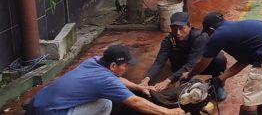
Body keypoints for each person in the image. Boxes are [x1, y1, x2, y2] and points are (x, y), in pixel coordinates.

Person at [27, 45, 183, 115]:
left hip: (37, 104)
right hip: (50, 112)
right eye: (125, 65)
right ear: (113, 65)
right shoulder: (106, 80)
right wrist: (169, 112)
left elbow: (119, 80)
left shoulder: (93, 61)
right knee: (105, 104)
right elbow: (135, 102)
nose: (127, 68)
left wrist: (138, 87)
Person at [187, 12, 262, 115]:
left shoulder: (218, 35)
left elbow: (202, 63)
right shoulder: (235, 29)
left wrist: (189, 75)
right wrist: (221, 78)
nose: (209, 36)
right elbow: (244, 61)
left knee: (250, 99)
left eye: (208, 33)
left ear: (211, 29)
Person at [141, 12, 227, 99]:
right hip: (180, 66)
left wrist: (167, 81)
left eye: (182, 28)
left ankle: (218, 84)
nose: (178, 33)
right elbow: (159, 61)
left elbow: (191, 63)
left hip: (198, 65)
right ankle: (186, 81)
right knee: (183, 94)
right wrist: (147, 79)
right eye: (174, 29)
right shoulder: (169, 40)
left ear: (189, 26)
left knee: (219, 58)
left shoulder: (200, 37)